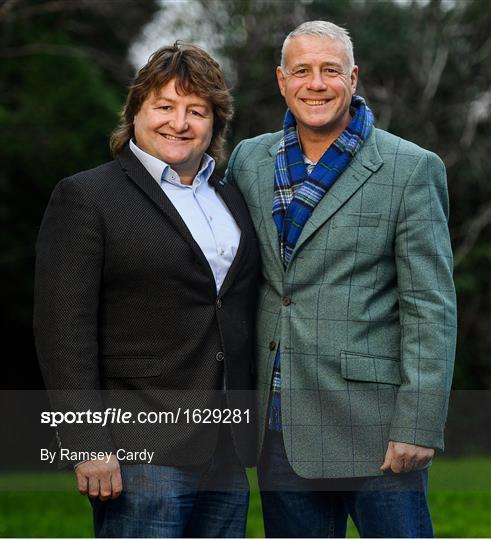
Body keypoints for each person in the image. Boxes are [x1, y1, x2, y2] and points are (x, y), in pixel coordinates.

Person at [225, 20, 457, 538]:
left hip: (374, 428)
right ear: (280, 80)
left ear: (353, 77)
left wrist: (417, 423)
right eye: (302, 71)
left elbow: (430, 305)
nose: (316, 83)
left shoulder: (411, 169)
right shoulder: (248, 160)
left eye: (330, 70)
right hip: (279, 425)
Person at [34, 42, 260, 538]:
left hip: (226, 449)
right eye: (165, 106)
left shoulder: (231, 198)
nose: (179, 122)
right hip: (139, 449)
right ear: (136, 109)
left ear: (214, 124)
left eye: (196, 111)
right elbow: (63, 332)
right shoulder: (87, 197)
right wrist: (85, 444)